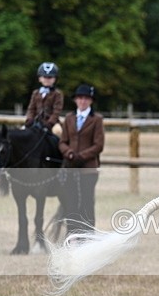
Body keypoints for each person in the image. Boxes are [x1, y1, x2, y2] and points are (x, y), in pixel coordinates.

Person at [59, 84, 105, 234]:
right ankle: (72, 233)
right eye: (80, 98)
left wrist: (82, 156)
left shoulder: (96, 119)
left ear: (90, 101)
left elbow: (98, 145)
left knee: (87, 202)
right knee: (70, 201)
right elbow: (63, 142)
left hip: (88, 168)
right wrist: (69, 153)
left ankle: (88, 233)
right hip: (71, 166)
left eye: (86, 99)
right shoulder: (69, 118)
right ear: (76, 100)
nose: (83, 101)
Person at [24, 62, 64, 135]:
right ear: (40, 78)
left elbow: (57, 111)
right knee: (22, 131)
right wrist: (29, 119)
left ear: (55, 79)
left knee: (58, 131)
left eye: (50, 77)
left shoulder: (57, 94)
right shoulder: (35, 93)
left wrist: (50, 123)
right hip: (36, 121)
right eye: (45, 77)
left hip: (51, 123)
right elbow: (31, 108)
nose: (47, 79)